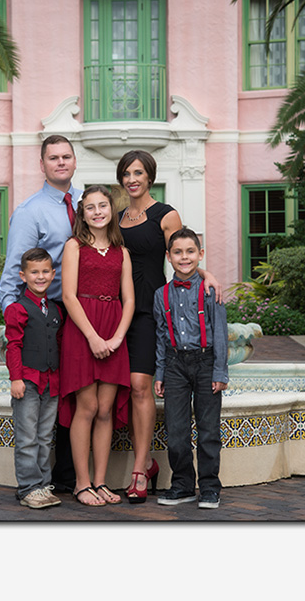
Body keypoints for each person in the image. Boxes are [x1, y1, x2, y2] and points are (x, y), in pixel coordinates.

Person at [116, 150, 223, 503]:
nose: (132, 179)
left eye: (138, 173)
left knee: (139, 386)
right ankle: (147, 465)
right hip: (118, 311)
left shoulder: (165, 214)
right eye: (126, 173)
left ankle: (141, 465)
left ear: (150, 177)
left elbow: (183, 254)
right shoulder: (116, 218)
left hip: (149, 309)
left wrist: (207, 275)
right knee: (123, 388)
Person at [0, 134, 81, 493]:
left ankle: (69, 476)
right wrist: (17, 321)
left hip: (83, 313)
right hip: (50, 311)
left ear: (74, 161)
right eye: (53, 158)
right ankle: (47, 481)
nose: (60, 162)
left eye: (66, 156)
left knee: (72, 393)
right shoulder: (31, 211)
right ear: (42, 164)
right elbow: (12, 273)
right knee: (46, 400)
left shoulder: (87, 203)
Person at [59, 185, 134, 507]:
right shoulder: (74, 246)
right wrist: (93, 337)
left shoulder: (122, 251)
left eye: (103, 206)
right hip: (82, 329)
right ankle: (81, 483)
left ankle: (101, 481)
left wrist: (117, 338)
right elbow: (68, 296)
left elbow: (129, 299)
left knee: (105, 410)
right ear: (82, 214)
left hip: (114, 327)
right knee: (86, 407)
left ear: (111, 209)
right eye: (90, 207)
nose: (98, 212)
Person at [153, 228, 228, 509]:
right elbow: (161, 337)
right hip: (174, 365)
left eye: (190, 251)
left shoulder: (210, 290)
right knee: (176, 431)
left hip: (206, 362)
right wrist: (159, 373)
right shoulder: (161, 295)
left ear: (200, 255)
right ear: (169, 257)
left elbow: (220, 332)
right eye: (178, 252)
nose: (184, 257)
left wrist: (220, 371)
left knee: (209, 430)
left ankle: (209, 487)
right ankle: (182, 484)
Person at [3, 248, 63, 509]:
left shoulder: (56, 310)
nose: (40, 276)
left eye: (45, 271)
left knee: (45, 437)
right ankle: (28, 487)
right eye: (34, 272)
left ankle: (43, 486)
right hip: (27, 381)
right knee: (27, 438)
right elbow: (13, 346)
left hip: (51, 382)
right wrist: (16, 379)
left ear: (53, 273)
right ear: (23, 275)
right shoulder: (17, 309)